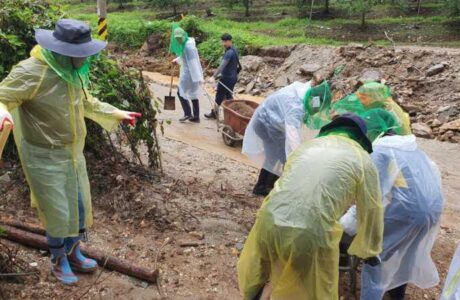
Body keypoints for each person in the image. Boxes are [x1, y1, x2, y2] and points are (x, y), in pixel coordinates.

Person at [0, 19, 141, 284]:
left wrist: (117, 113)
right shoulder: (33, 71)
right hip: (44, 156)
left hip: (72, 155)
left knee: (77, 205)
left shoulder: (72, 72)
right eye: (81, 54)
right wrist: (2, 113)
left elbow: (87, 103)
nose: (85, 58)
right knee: (57, 210)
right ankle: (58, 259)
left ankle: (74, 251)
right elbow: (2, 96)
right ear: (63, 51)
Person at [237, 113, 384, 300]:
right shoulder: (362, 159)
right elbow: (372, 208)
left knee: (276, 272)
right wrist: (370, 249)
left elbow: (287, 185)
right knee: (311, 289)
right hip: (310, 232)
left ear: (332, 129)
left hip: (269, 219)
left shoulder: (306, 148)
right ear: (361, 138)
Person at [340, 109, 444, 300]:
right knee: (403, 256)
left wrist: (345, 225)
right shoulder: (409, 147)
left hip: (407, 212)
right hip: (432, 209)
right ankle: (397, 296)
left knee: (375, 259)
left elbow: (372, 197)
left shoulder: (380, 150)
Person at [242, 80, 332, 196]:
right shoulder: (295, 108)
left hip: (271, 122)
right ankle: (262, 187)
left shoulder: (301, 92)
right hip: (264, 124)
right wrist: (297, 158)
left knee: (278, 154)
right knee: (277, 155)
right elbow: (292, 136)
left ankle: (270, 185)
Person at [332, 81, 411, 135]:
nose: (361, 101)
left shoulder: (388, 109)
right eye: (360, 98)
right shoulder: (376, 103)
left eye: (364, 98)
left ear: (374, 97)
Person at [170, 25, 204, 123]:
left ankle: (188, 113)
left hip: (189, 74)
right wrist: (176, 60)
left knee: (180, 93)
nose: (179, 40)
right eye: (177, 38)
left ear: (184, 36)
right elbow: (184, 57)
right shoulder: (188, 43)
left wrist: (197, 77)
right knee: (193, 94)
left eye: (180, 38)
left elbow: (193, 62)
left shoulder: (188, 47)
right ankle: (196, 117)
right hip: (191, 74)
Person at [204, 33, 240, 119]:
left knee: (220, 96)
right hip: (233, 77)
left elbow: (222, 66)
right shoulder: (234, 49)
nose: (223, 43)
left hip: (227, 78)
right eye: (223, 41)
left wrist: (214, 76)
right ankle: (230, 115)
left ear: (230, 41)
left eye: (225, 41)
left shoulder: (229, 53)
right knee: (227, 96)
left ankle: (218, 113)